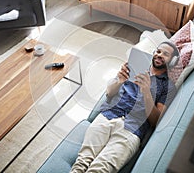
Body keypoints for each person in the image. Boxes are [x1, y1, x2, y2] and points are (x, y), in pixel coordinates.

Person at [70, 41, 179, 173]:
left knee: (99, 170)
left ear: (172, 61)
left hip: (131, 130)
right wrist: (119, 80)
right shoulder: (134, 67)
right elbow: (109, 92)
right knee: (81, 163)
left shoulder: (168, 87)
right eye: (158, 51)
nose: (159, 55)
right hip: (108, 116)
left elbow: (156, 121)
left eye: (165, 54)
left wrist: (146, 93)